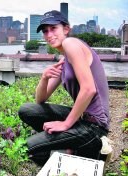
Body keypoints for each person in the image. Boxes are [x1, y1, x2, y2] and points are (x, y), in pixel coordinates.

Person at [18, 10, 110, 166]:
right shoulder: (64, 59)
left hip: (95, 127)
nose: (49, 34)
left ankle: (90, 149)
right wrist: (44, 78)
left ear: (66, 29)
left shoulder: (71, 44)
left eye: (53, 28)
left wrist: (65, 124)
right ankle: (69, 145)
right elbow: (40, 100)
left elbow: (89, 89)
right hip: (81, 118)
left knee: (31, 147)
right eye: (45, 31)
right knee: (26, 110)